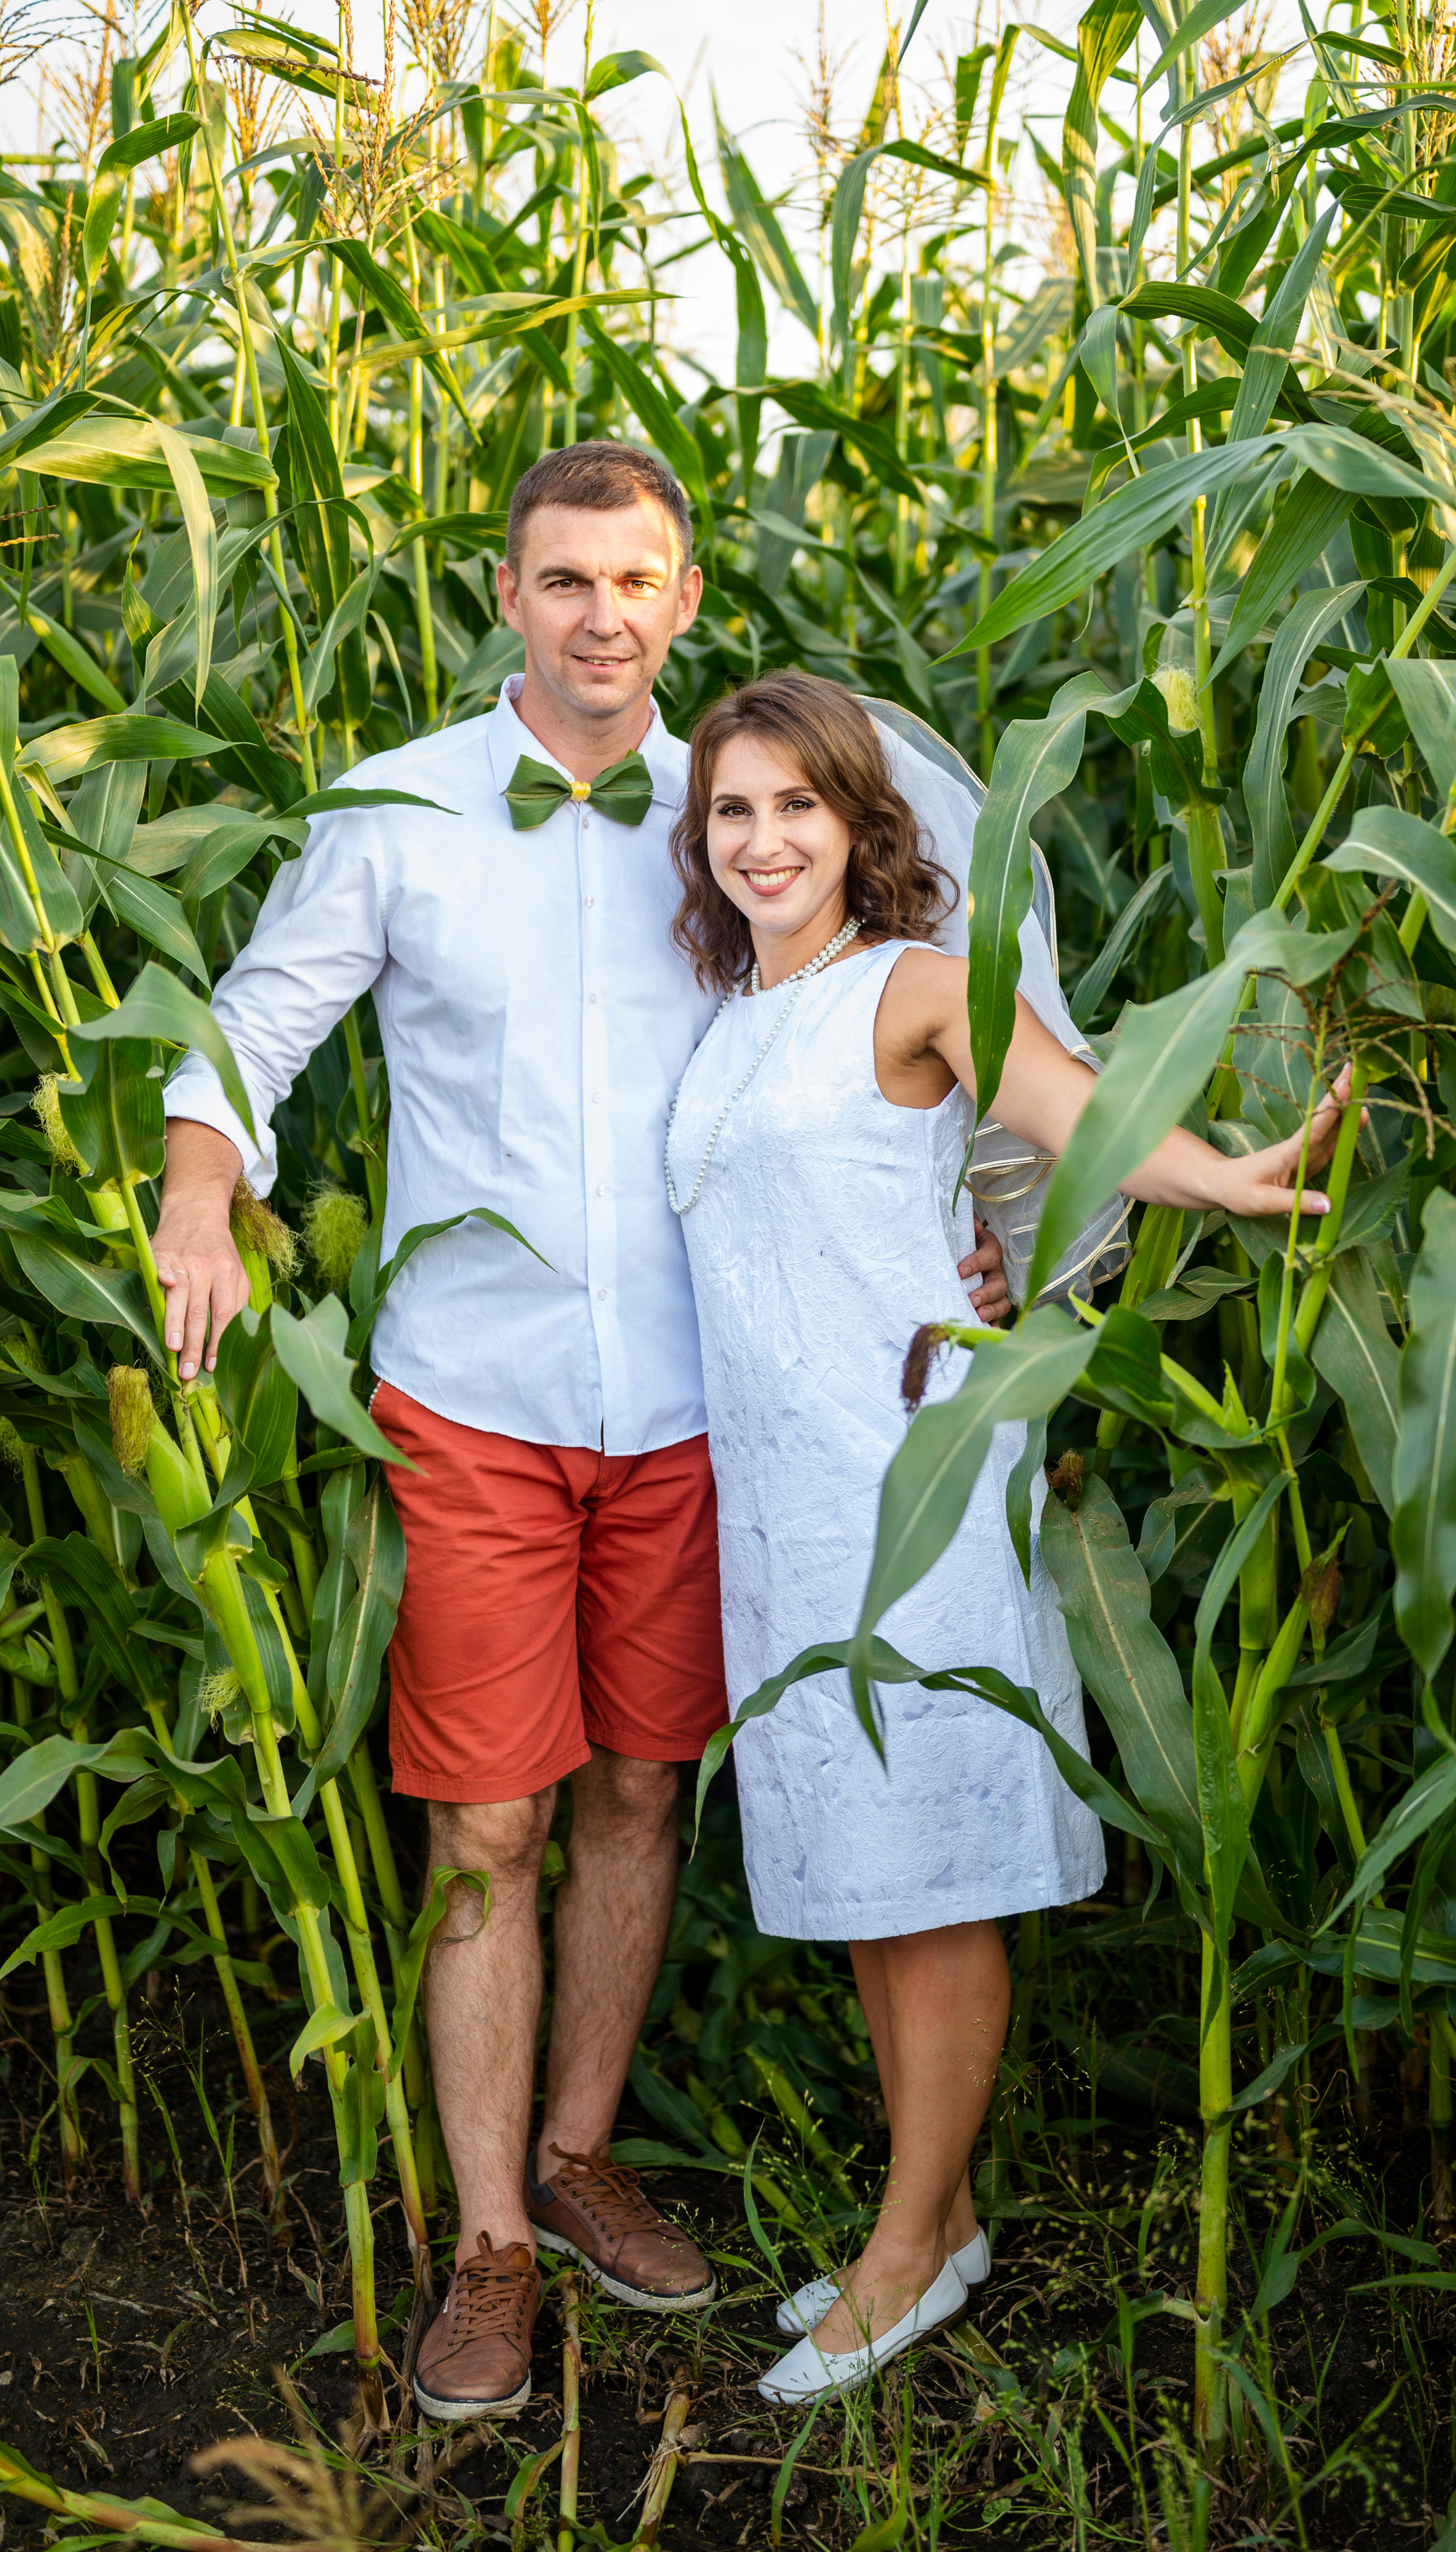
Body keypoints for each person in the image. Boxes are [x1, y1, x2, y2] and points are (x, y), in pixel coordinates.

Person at [150, 444, 1014, 2423]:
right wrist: (202, 1194)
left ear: (686, 597)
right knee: (492, 1826)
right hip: (479, 1399)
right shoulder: (395, 817)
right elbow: (248, 1027)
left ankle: (579, 2152)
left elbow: (932, 996)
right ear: (511, 596)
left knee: (640, 1797)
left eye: (637, 580)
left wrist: (976, 1224)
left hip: (707, 1405)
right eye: (565, 581)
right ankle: (488, 2252)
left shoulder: (737, 808)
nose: (602, 615)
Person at [664, 671, 1347, 2405]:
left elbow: (1081, 1119)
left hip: (907, 1480)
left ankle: (901, 2263)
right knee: (873, 1886)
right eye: (731, 811)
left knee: (934, 1872)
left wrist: (1235, 1175)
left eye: (795, 809)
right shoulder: (733, 1011)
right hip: (784, 1505)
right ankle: (939, 2211)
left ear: (862, 824)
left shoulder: (914, 986)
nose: (761, 842)